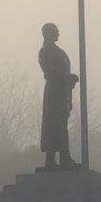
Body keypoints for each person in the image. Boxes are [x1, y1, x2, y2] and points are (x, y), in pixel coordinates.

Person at [38, 23, 79, 170]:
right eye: (56, 31)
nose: (58, 33)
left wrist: (69, 80)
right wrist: (67, 78)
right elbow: (50, 73)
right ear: (48, 33)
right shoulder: (45, 52)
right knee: (54, 126)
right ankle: (52, 159)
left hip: (63, 93)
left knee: (61, 125)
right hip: (54, 93)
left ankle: (64, 157)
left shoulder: (58, 51)